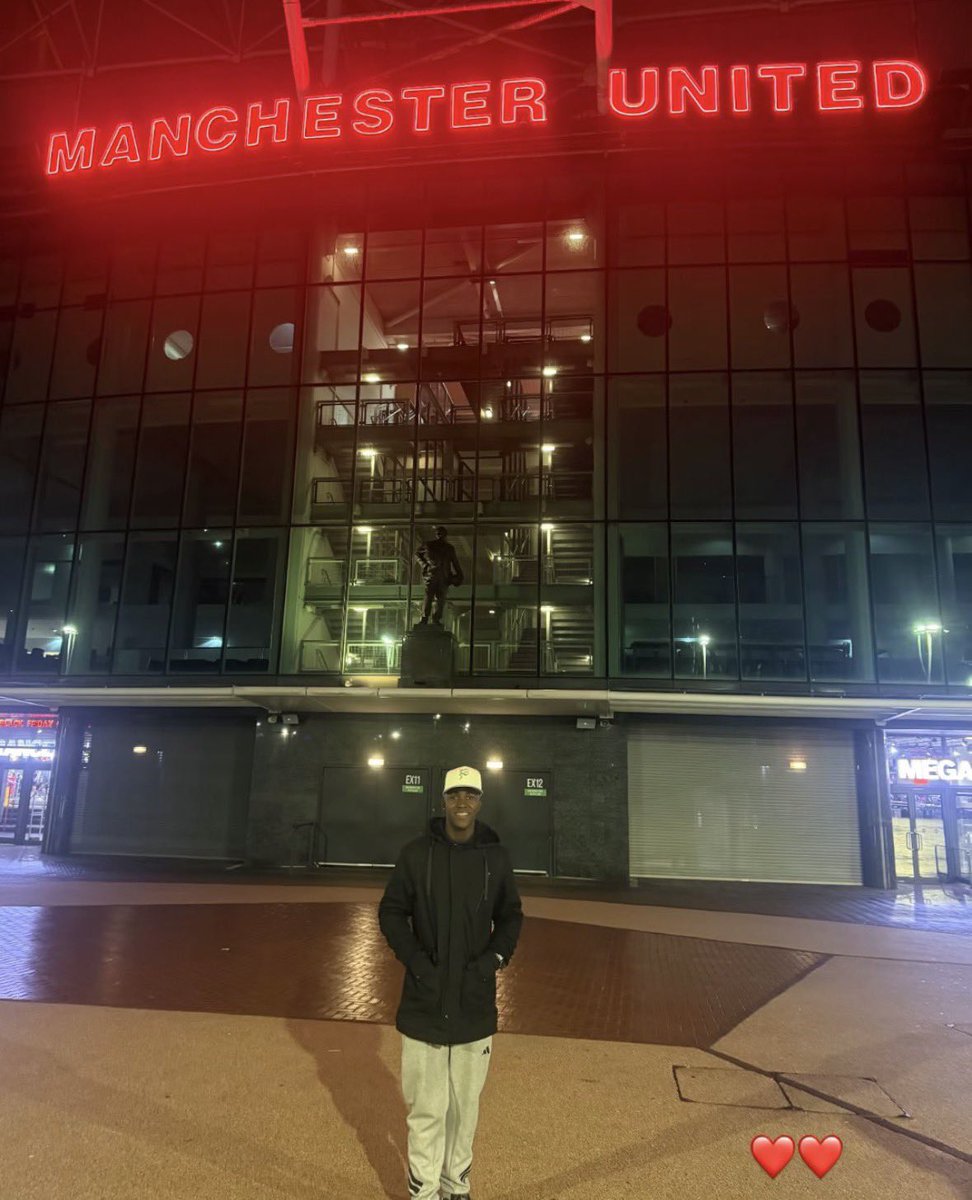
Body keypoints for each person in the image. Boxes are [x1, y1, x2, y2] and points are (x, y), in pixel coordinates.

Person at [378, 765, 523, 1200]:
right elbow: (390, 911)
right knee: (426, 1108)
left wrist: (492, 961)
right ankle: (422, 1189)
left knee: (464, 1108)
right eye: (455, 794)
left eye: (471, 795)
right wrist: (418, 963)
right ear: (442, 800)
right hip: (423, 1002)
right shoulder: (415, 854)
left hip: (474, 1003)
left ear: (480, 802)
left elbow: (512, 915)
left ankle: (455, 1184)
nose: (463, 802)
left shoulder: (495, 858)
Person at [416, 526, 464, 626]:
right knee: (428, 598)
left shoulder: (449, 548)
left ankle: (436, 619)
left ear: (445, 535)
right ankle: (424, 618)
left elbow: (455, 562)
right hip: (431, 576)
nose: (440, 535)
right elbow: (417, 554)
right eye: (438, 533)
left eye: (441, 533)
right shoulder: (429, 545)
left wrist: (459, 575)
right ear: (436, 534)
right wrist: (425, 565)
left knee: (441, 600)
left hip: (444, 577)